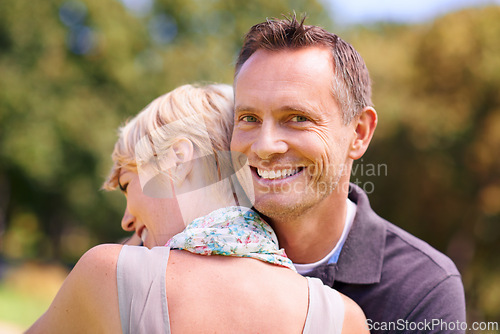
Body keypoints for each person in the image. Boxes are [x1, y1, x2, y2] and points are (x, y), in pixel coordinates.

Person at [27, 84, 368, 333]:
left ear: (178, 159)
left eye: (128, 183)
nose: (126, 220)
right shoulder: (341, 318)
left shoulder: (110, 275)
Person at [230, 15, 467, 333]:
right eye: (248, 117)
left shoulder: (423, 287)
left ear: (359, 133)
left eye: (297, 117)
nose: (265, 146)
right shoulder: (197, 252)